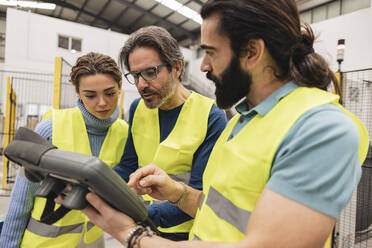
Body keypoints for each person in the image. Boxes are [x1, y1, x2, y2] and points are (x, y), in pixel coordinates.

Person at [83, 0, 370, 247]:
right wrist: (175, 191)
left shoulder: (322, 129)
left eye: (211, 52)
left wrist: (130, 234)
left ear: (251, 52)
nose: (205, 66)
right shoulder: (242, 123)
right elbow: (215, 210)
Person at [0, 52, 129, 248]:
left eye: (109, 93)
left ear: (120, 88)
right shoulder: (50, 129)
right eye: (90, 95)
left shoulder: (125, 134)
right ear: (78, 92)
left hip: (93, 243)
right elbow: (20, 200)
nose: (102, 103)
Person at [113, 26, 227, 241]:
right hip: (144, 231)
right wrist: (99, 186)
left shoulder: (210, 116)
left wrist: (138, 216)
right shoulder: (138, 108)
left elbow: (201, 195)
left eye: (150, 72)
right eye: (135, 76)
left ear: (176, 68)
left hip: (185, 236)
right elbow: (127, 167)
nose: (141, 85)